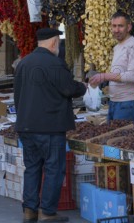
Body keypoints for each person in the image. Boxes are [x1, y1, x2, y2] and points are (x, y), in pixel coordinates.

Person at [14, 28, 87, 222]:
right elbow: (69, 88)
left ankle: (29, 210)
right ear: (54, 42)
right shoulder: (55, 63)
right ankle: (47, 211)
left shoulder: (24, 63)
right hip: (50, 127)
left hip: (26, 126)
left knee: (32, 168)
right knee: (54, 168)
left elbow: (17, 95)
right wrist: (83, 86)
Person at [89, 11, 134, 121]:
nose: (116, 30)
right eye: (114, 26)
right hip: (115, 101)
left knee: (122, 137)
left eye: (120, 26)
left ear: (128, 27)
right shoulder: (117, 47)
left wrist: (105, 76)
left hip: (128, 102)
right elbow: (119, 72)